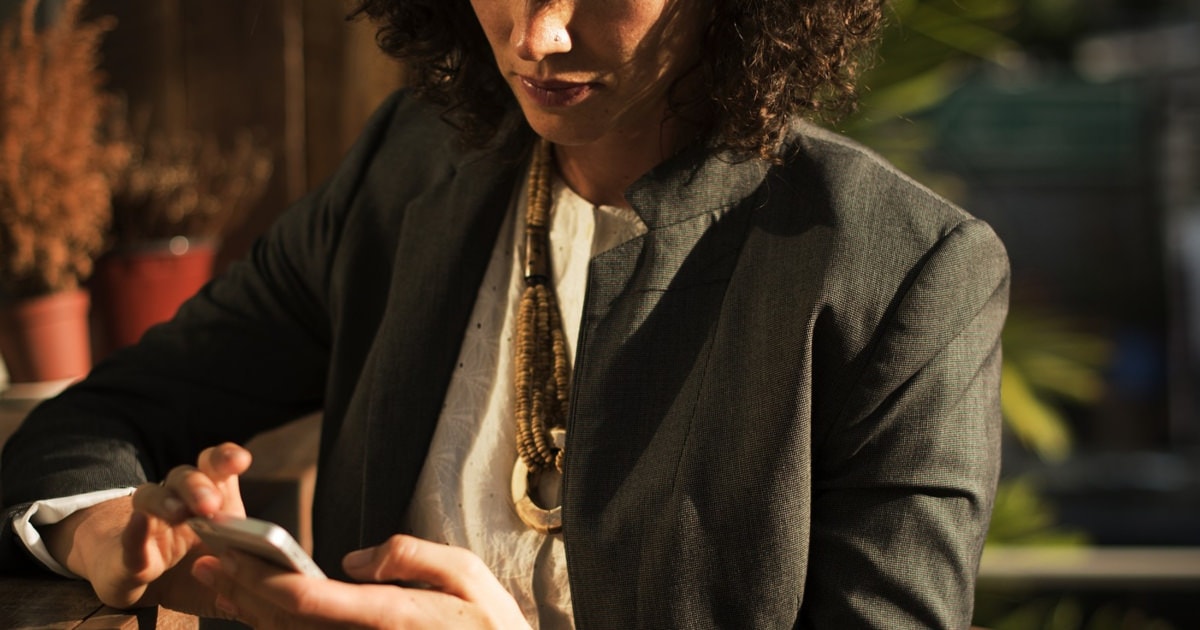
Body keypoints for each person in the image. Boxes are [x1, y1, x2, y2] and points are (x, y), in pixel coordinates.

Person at [1, 0, 1010, 627]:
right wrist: (96, 534)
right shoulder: (411, 168)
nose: (536, 35)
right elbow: (103, 418)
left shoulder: (906, 271)